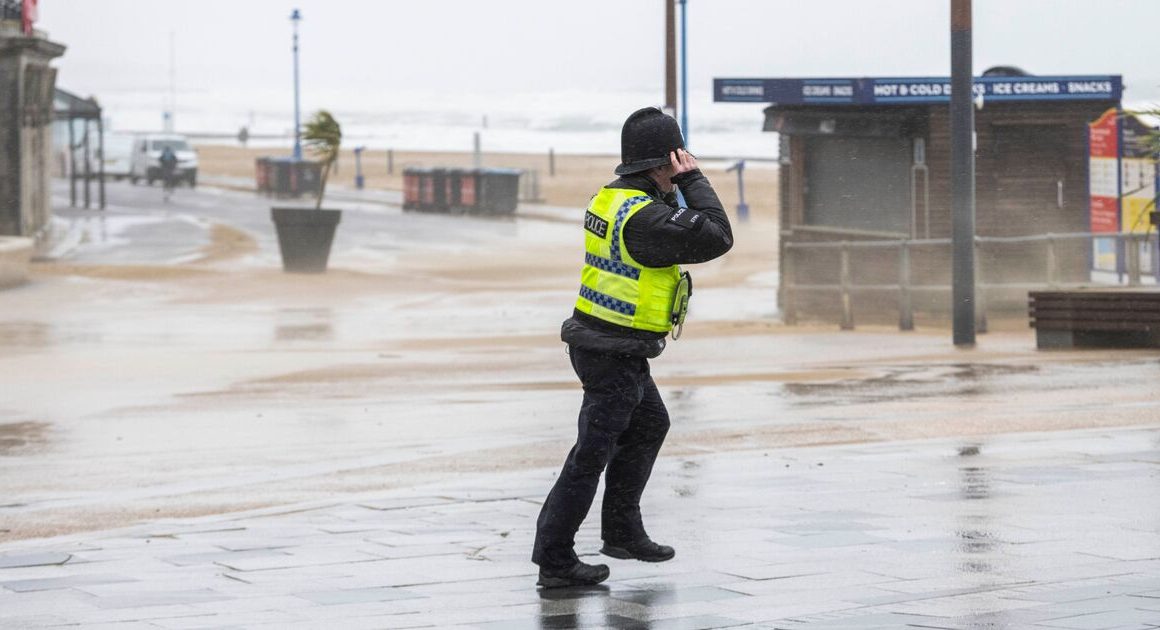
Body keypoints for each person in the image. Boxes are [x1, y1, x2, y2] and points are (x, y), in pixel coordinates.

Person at [532, 107, 733, 588]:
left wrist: (675, 184)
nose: (679, 172)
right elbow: (717, 236)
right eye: (678, 163)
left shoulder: (611, 199)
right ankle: (555, 559)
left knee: (649, 424)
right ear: (665, 164)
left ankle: (622, 531)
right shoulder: (646, 218)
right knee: (590, 455)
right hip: (611, 348)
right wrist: (697, 179)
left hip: (607, 341)